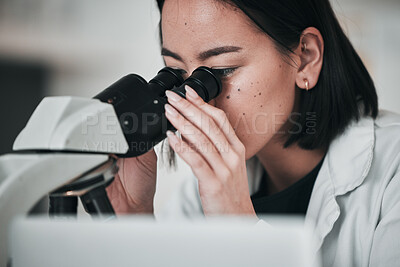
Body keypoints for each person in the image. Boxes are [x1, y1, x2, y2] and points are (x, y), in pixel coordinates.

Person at [106, 0, 400, 266]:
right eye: (176, 74)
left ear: (306, 57)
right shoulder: (197, 194)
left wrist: (238, 227)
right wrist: (135, 220)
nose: (194, 100)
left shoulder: (393, 174)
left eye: (221, 71)